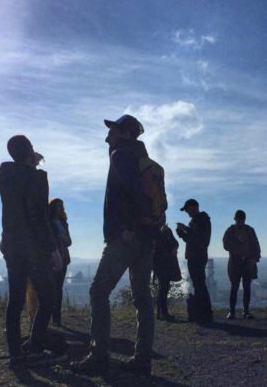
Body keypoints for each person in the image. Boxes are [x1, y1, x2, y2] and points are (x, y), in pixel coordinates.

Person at [70, 114, 157, 375]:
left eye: (114, 131)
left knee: (98, 291)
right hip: (148, 237)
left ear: (126, 134)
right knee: (143, 298)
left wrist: (129, 227)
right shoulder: (145, 159)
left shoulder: (120, 155)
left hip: (126, 237)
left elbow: (133, 192)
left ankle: (98, 355)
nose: (108, 135)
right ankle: (142, 360)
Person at [0, 135, 62, 370]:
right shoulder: (36, 177)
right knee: (48, 297)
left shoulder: (5, 176)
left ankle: (15, 353)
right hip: (34, 246)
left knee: (15, 301)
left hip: (12, 245)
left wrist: (29, 163)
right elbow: (39, 215)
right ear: (28, 151)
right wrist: (53, 248)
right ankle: (34, 349)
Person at [25, 198, 72, 327]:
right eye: (59, 206)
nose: (62, 209)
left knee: (58, 288)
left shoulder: (63, 222)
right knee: (49, 289)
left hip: (63, 258)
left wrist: (63, 238)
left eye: (62, 206)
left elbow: (69, 242)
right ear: (53, 208)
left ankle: (56, 317)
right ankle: (45, 317)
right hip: (51, 259)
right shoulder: (48, 223)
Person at [176, 199, 213, 324]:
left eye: (187, 209)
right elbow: (192, 239)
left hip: (198, 256)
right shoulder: (195, 220)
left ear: (194, 207)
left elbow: (200, 238)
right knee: (198, 284)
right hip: (195, 256)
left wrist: (185, 228)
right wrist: (181, 234)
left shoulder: (202, 219)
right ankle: (203, 312)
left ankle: (206, 313)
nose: (186, 212)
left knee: (200, 284)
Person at [222, 210, 261, 320]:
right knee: (234, 287)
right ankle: (232, 311)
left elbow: (256, 246)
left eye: (242, 219)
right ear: (235, 219)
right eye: (239, 219)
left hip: (248, 262)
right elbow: (225, 245)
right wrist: (237, 242)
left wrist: (254, 259)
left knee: (247, 287)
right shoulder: (230, 230)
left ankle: (246, 311)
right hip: (235, 262)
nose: (240, 221)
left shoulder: (250, 230)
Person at [153, 223, 182, 321]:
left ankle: (160, 312)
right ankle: (163, 313)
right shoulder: (157, 232)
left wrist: (174, 248)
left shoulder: (166, 231)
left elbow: (175, 242)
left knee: (163, 288)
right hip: (161, 264)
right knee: (163, 288)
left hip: (164, 264)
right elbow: (157, 247)